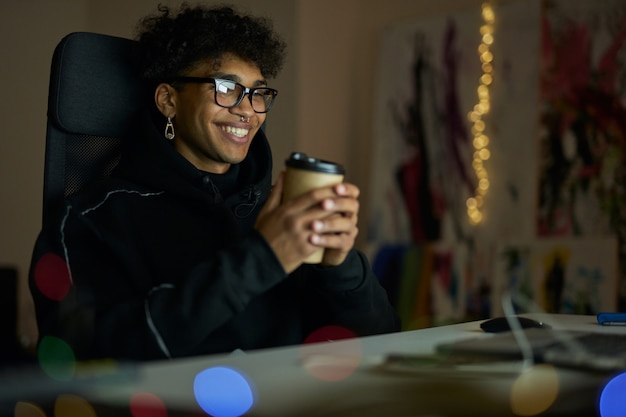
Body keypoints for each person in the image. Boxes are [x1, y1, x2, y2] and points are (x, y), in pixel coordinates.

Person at [29, 3, 399, 361]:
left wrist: (340, 266)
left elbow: (381, 343)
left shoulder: (281, 215)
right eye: (226, 88)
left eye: (258, 93)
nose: (246, 109)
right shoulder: (90, 220)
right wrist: (262, 258)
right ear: (168, 99)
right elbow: (86, 356)